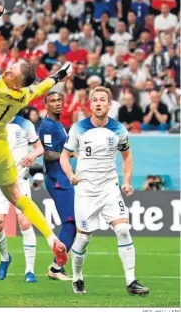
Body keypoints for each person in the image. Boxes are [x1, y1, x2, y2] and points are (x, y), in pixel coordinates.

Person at [0, 3, 70, 266]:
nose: (8, 69)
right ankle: (51, 238)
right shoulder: (23, 95)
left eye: (12, 72)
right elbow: (41, 88)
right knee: (17, 197)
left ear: (14, 82)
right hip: (0, 148)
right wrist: (57, 77)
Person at [60, 86, 150, 296]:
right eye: (95, 100)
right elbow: (64, 156)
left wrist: (126, 181)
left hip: (110, 188)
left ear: (110, 105)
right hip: (86, 190)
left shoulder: (119, 129)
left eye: (102, 100)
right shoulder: (78, 128)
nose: (98, 103)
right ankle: (77, 277)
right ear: (90, 104)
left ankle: (131, 282)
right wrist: (70, 174)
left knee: (123, 229)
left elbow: (127, 157)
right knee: (83, 238)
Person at [0, 115, 44, 282]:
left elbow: (39, 147)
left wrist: (33, 155)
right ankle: (5, 257)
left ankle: (29, 271)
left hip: (20, 182)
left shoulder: (25, 124)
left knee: (25, 222)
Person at [38, 92, 77, 281]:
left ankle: (57, 266)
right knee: (71, 222)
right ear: (46, 106)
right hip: (57, 179)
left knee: (73, 223)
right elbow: (46, 154)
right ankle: (56, 267)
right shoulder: (47, 126)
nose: (57, 103)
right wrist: (68, 154)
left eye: (59, 100)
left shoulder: (58, 125)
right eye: (52, 101)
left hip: (63, 177)